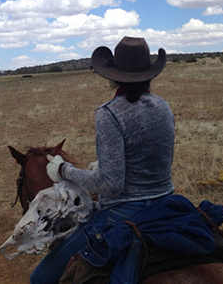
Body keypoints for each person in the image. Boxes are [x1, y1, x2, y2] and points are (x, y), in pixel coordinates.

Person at [30, 36, 177, 284]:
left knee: (40, 278)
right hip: (167, 203)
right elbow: (155, 158)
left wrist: (64, 170)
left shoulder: (109, 113)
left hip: (124, 212)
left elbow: (111, 186)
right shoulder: (163, 106)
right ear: (150, 74)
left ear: (113, 76)